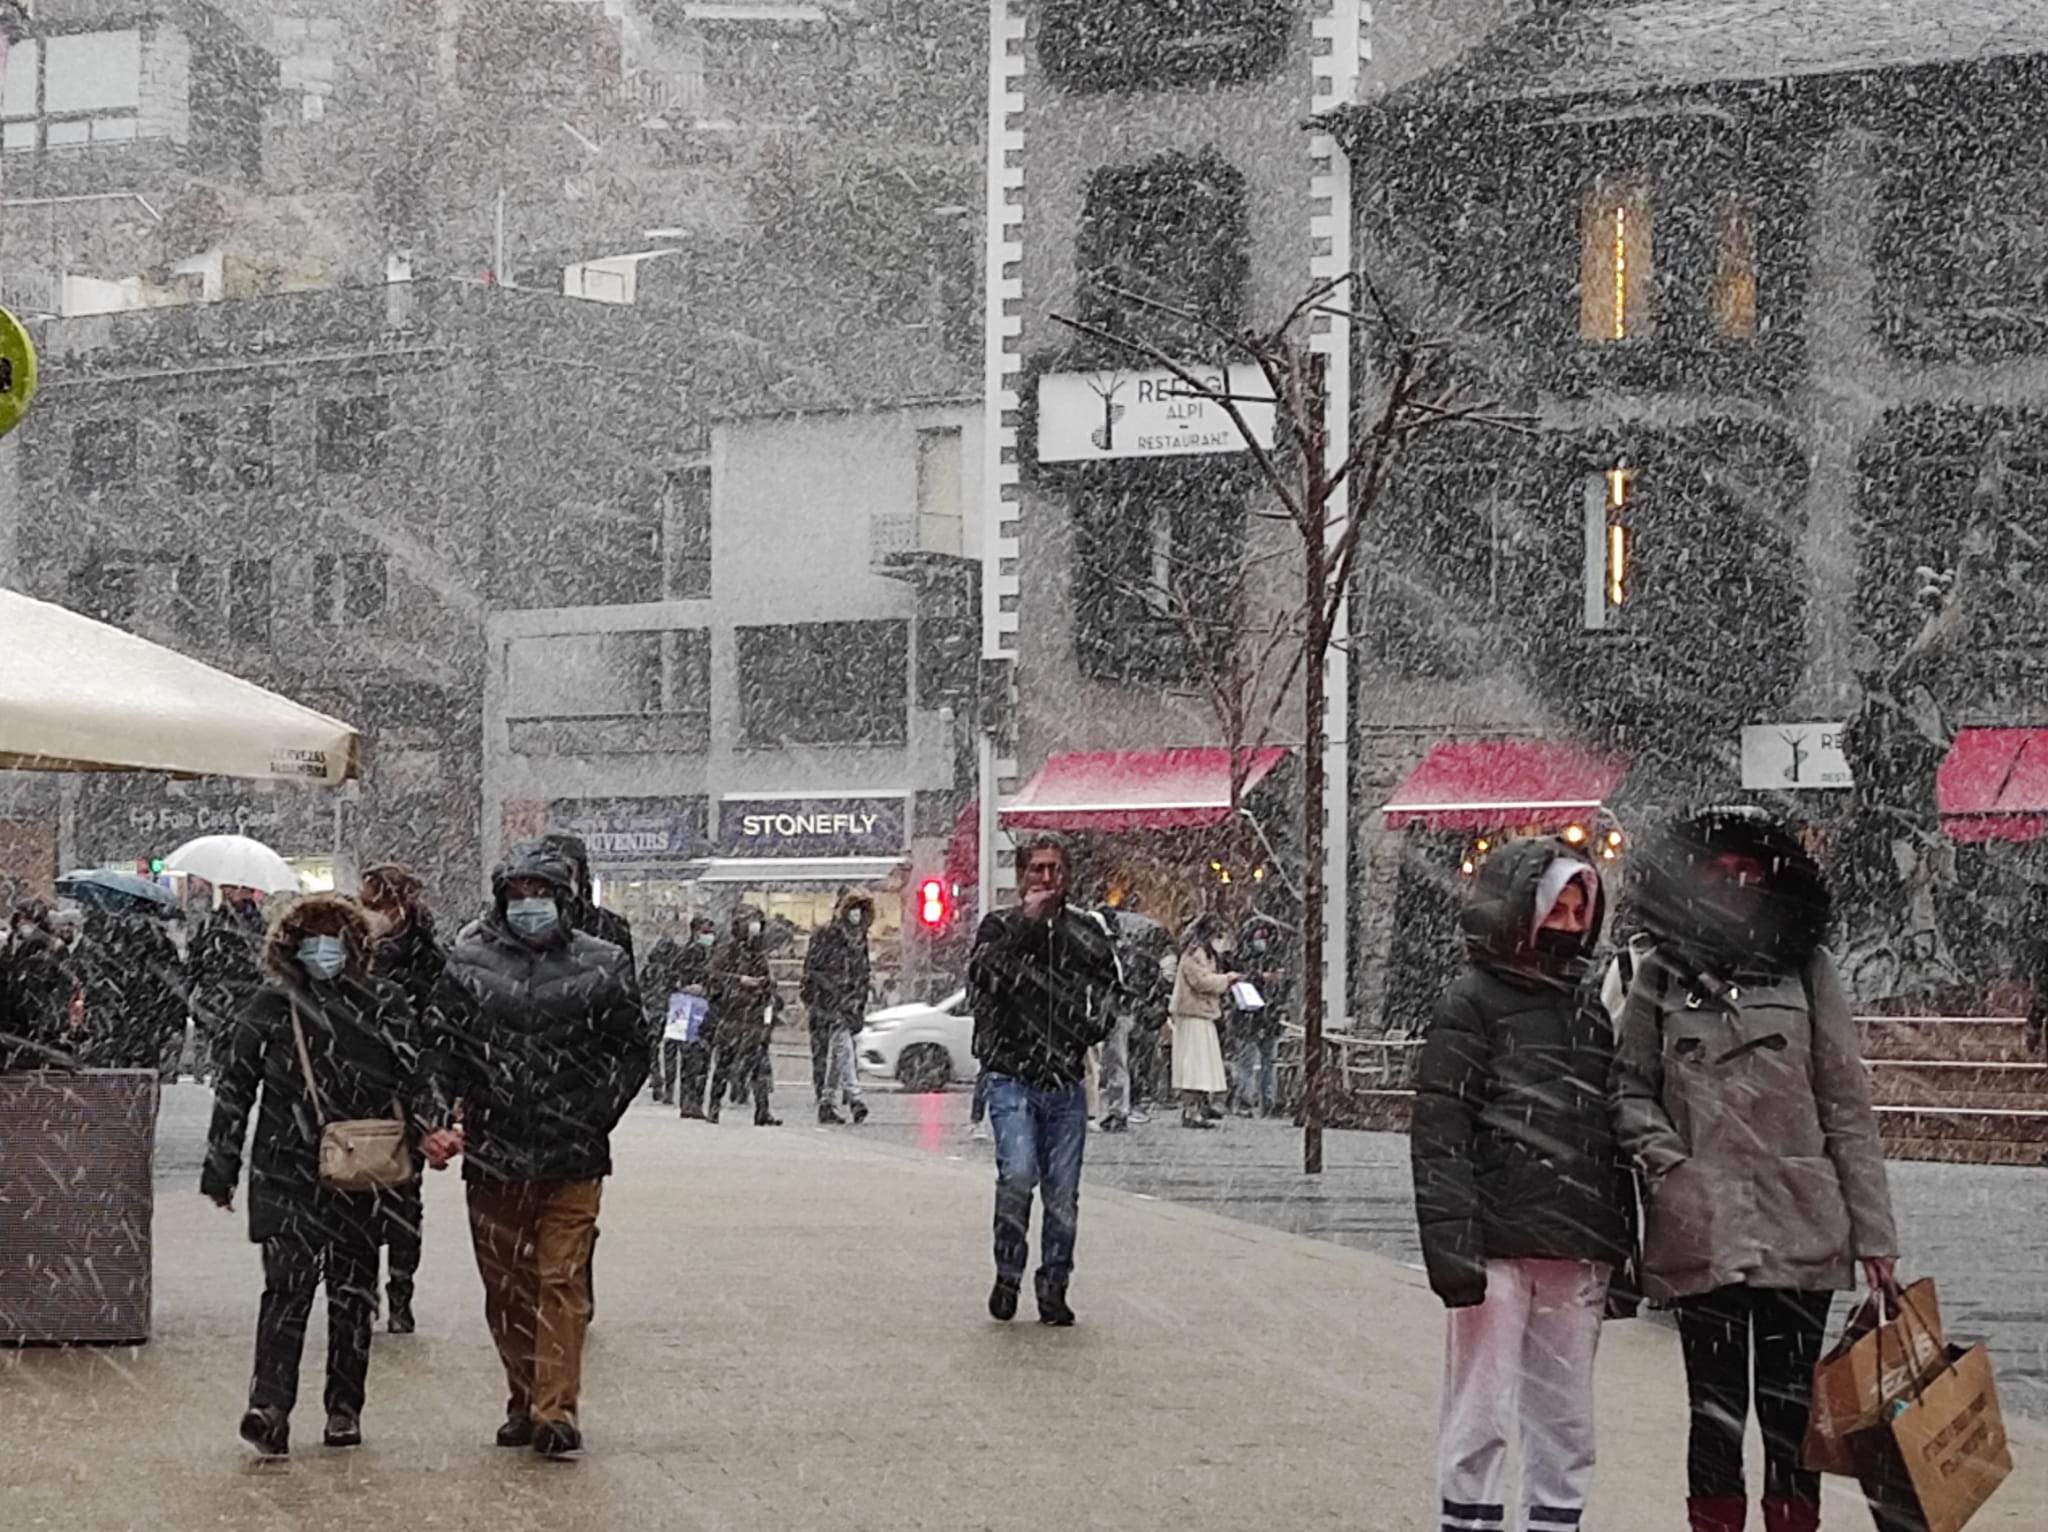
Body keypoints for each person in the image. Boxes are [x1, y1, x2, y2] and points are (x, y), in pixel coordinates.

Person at [1612, 807, 1899, 1532]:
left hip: (1800, 1224)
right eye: (1719, 872)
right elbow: (1628, 1087)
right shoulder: (1661, 974)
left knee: (1790, 1413)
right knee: (1713, 1414)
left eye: (1749, 871)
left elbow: (1845, 1104)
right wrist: (1669, 1162)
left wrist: (1876, 1237)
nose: (1736, 885)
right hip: (1701, 1224)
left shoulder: (1808, 969)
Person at [1412, 838, 1634, 1532]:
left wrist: (1622, 1242)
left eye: (1578, 911)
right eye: (1555, 908)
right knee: (1480, 1408)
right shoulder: (1471, 1004)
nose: (1568, 924)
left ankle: (1553, 1521)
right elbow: (1442, 1131)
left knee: (1566, 1416)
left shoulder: (1587, 1011)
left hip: (1577, 1243)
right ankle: (1470, 1520)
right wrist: (1455, 1247)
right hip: (1499, 1242)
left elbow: (1609, 1132)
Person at [416, 843, 645, 1460]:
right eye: (516, 896)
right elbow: (440, 1047)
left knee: (560, 1278)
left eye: (539, 895)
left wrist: (596, 1112)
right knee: (508, 1287)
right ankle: (524, 1396)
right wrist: (435, 1115)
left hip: (573, 1153)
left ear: (563, 900)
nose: (528, 906)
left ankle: (555, 1410)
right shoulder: (468, 963)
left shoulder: (603, 963)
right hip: (496, 1151)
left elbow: (630, 1049)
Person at [200, 893, 425, 1459]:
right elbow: (236, 1086)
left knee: (352, 1295)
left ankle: (344, 1407)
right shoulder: (271, 1005)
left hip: (360, 1171)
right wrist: (221, 1168)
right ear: (291, 947)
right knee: (286, 1290)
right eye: (311, 939)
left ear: (355, 947)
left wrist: (426, 1138)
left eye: (333, 939)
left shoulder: (384, 1002)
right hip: (286, 1169)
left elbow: (415, 1076)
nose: (323, 950)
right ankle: (270, 1408)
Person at [966, 832, 1120, 1325]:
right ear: (1021, 876)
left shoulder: (1084, 931)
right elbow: (981, 976)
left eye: (1055, 868)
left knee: (1062, 1194)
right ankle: (1008, 1273)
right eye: (1037, 868)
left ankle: (1054, 1284)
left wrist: (1089, 1029)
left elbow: (1111, 989)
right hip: (1013, 1075)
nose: (1047, 878)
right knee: (1017, 1175)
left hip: (1064, 1080)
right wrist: (1024, 928)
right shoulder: (999, 927)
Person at [359, 863, 447, 1337]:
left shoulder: (426, 956)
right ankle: (363, 1290)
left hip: (407, 1091)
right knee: (357, 1193)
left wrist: (434, 1101)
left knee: (403, 1201)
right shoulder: (354, 950)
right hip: (360, 1089)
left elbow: (441, 1027)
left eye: (371, 900)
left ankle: (400, 1293)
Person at [801, 890, 875, 1125]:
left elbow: (863, 973)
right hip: (828, 1003)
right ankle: (855, 1097)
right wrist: (833, 992)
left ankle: (828, 1101)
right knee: (841, 1047)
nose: (856, 915)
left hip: (846, 1002)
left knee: (838, 1052)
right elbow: (813, 970)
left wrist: (857, 1000)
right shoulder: (827, 935)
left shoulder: (859, 939)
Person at [188, 884, 269, 1086]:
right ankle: (221, 1081)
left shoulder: (259, 925)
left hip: (247, 996)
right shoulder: (212, 923)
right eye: (227, 888)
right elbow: (196, 960)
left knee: (243, 1048)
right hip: (217, 996)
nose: (230, 893)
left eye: (236, 888)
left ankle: (233, 1081)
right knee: (220, 1045)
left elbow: (267, 961)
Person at [707, 904, 780, 1127]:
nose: (754, 927)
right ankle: (714, 1106)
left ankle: (762, 1109)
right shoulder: (729, 950)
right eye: (750, 922)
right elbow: (714, 976)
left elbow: (767, 980)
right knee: (725, 1061)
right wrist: (739, 981)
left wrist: (765, 985)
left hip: (754, 1013)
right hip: (733, 1014)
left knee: (759, 1063)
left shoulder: (758, 953)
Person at [1168, 913, 1238, 1130]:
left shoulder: (1204, 954)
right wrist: (1226, 979)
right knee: (1194, 1065)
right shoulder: (1194, 953)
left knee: (1200, 1065)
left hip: (1202, 1013)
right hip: (1193, 1014)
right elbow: (1201, 981)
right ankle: (1191, 1109)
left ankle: (1196, 1108)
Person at [644, 914, 717, 1113]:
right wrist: (684, 988)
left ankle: (695, 1100)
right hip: (685, 1009)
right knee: (685, 1053)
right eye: (705, 931)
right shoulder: (686, 954)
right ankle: (684, 1098)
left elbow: (720, 979)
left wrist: (708, 989)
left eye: (711, 932)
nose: (709, 936)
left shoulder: (715, 954)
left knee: (701, 1056)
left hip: (705, 1009)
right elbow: (671, 979)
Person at [1230, 916, 1290, 1117]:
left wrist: (1278, 1001)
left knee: (1268, 1061)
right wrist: (1260, 978)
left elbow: (1283, 986)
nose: (1262, 941)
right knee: (1247, 1061)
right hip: (1247, 1016)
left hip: (1268, 1017)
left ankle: (1268, 1102)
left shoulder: (1275, 958)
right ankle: (1245, 1101)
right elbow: (1238, 978)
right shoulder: (1240, 957)